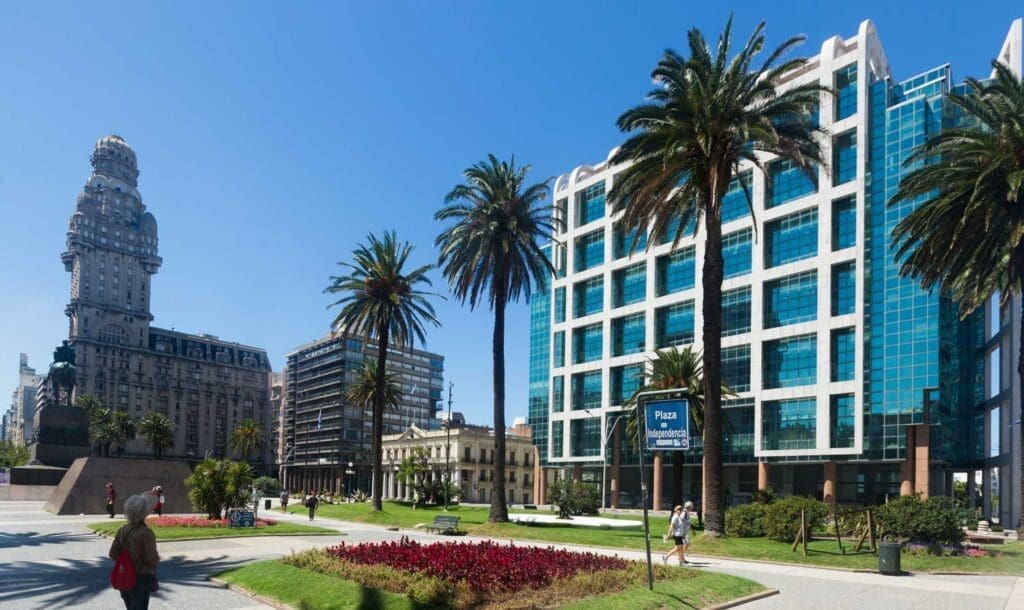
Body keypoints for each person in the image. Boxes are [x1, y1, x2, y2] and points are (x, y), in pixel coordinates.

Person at [108, 494, 160, 609]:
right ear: (143, 513)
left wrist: (127, 563)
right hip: (140, 579)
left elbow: (113, 553)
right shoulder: (146, 533)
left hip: (124, 577)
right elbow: (151, 560)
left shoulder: (122, 530)